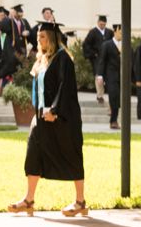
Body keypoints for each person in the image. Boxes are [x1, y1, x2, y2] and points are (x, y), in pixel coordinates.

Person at [13, 21, 87, 216]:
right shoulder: (42, 59)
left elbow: (66, 88)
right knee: (33, 154)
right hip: (41, 117)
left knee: (71, 154)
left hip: (62, 118)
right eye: (38, 38)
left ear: (52, 38)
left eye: (43, 37)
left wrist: (54, 110)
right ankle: (29, 200)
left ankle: (80, 201)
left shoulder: (63, 59)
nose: (39, 40)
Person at [98, 24, 127, 129]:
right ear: (115, 32)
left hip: (122, 77)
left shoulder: (126, 45)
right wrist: (100, 75)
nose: (122, 34)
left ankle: (116, 118)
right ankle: (113, 121)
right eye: (120, 32)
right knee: (113, 97)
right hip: (111, 76)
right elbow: (102, 60)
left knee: (119, 99)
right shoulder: (107, 45)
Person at [83, 15, 110, 104]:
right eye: (101, 24)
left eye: (104, 24)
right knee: (99, 76)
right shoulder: (93, 32)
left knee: (107, 76)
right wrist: (93, 54)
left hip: (107, 58)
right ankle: (100, 95)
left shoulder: (109, 32)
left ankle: (107, 94)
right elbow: (86, 44)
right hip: (97, 58)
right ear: (98, 22)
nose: (102, 25)